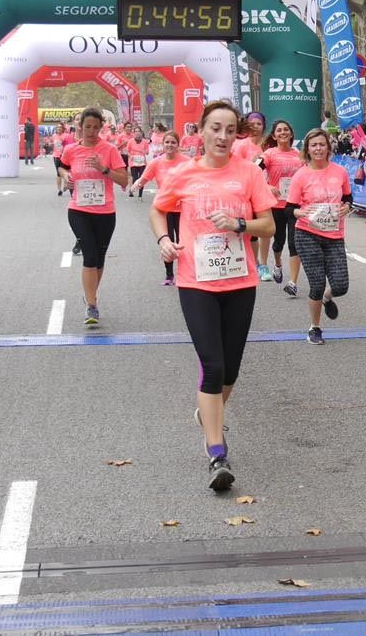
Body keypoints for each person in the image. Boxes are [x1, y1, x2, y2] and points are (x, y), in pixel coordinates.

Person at [149, 100, 277, 492]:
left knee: (231, 371)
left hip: (240, 281)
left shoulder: (249, 174)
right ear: (200, 131)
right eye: (214, 128)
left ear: (237, 133)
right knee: (213, 365)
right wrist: (163, 240)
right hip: (196, 281)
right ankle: (217, 452)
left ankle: (209, 414)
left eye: (229, 129)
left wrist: (240, 223)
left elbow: (268, 226)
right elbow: (158, 208)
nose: (222, 136)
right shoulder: (185, 174)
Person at [59, 107, 128, 326]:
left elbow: (124, 180)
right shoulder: (71, 150)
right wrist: (67, 176)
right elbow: (62, 167)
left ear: (101, 128)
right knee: (89, 255)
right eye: (87, 127)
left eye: (95, 127)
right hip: (78, 209)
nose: (91, 131)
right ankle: (91, 304)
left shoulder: (109, 150)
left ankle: (91, 296)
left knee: (99, 257)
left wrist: (104, 169)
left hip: (105, 211)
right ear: (80, 127)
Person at [285, 129, 353, 345]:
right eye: (313, 145)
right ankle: (315, 328)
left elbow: (348, 197)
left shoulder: (340, 171)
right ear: (307, 149)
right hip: (307, 233)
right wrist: (299, 212)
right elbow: (289, 208)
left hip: (334, 234)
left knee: (341, 285)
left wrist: (347, 207)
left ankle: (327, 297)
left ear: (328, 147)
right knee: (316, 283)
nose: (318, 148)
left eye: (322, 144)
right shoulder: (301, 175)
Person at [132, 131, 187, 286]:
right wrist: (136, 185)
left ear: (178, 145)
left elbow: (197, 178)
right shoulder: (157, 162)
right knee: (167, 242)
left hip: (184, 209)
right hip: (164, 210)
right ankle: (169, 275)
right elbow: (145, 177)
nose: (170, 145)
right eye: (167, 142)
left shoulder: (187, 161)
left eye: (173, 142)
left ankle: (185, 273)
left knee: (185, 242)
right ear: (163, 144)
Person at [259, 120, 304, 286]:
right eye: (279, 130)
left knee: (294, 243)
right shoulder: (269, 154)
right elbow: (253, 170)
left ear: (291, 134)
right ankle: (277, 264)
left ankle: (293, 282)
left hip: (294, 206)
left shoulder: (299, 154)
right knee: (279, 242)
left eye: (286, 130)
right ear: (274, 135)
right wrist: (267, 186)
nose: (283, 132)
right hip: (276, 206)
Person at [52, 123, 76, 198]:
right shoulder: (54, 136)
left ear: (63, 129)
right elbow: (54, 146)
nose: (58, 129)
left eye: (60, 127)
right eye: (57, 127)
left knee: (67, 172)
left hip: (65, 156)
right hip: (56, 156)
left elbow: (69, 144)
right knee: (58, 173)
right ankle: (59, 190)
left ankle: (66, 185)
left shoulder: (66, 136)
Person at [125, 127, 150, 199]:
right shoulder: (130, 141)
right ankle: (133, 189)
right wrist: (130, 156)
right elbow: (127, 150)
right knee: (135, 178)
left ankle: (140, 195)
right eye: (136, 131)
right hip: (133, 162)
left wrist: (144, 151)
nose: (137, 133)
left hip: (142, 162)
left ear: (141, 133)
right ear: (134, 133)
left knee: (141, 178)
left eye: (139, 131)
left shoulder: (145, 141)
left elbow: (147, 152)